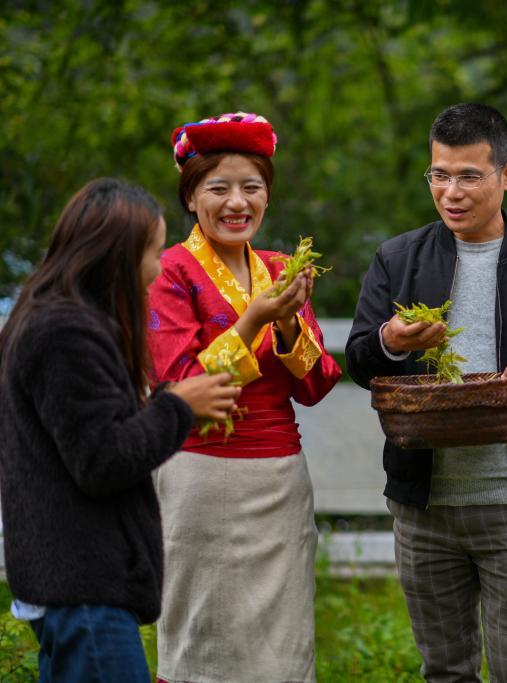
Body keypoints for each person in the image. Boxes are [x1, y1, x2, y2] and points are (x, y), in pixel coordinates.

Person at [345, 102, 507, 682]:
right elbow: (359, 359)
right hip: (423, 503)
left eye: (469, 176)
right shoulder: (398, 259)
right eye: (439, 174)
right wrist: (390, 341)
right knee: (445, 670)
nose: (451, 192)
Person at [0, 178, 239, 682]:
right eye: (153, 251)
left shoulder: (51, 317)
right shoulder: (66, 332)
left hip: (73, 590)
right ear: (118, 255)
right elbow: (103, 459)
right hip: (84, 591)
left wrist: (164, 402)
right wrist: (178, 406)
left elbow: (89, 433)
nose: (160, 266)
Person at [147, 112, 341, 683]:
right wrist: (256, 317)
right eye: (218, 188)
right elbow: (182, 383)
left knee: (282, 640)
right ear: (191, 198)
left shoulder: (280, 269)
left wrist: (287, 324)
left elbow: (317, 384)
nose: (237, 202)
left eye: (251, 187)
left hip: (280, 475)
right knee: (200, 633)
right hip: (200, 475)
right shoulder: (168, 271)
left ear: (267, 195)